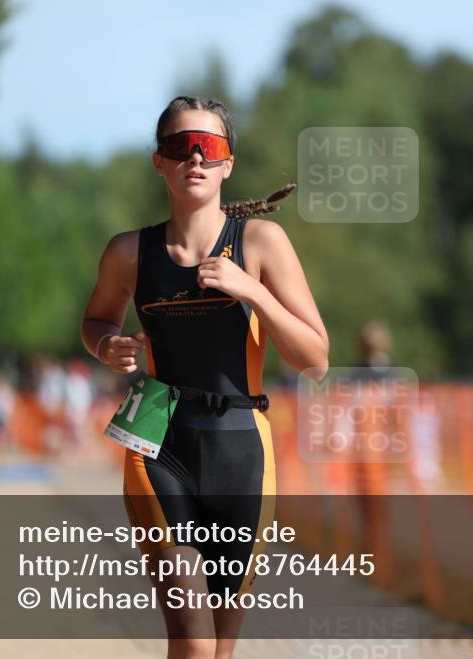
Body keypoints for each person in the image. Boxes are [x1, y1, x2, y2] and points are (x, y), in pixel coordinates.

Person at [80, 96, 329, 659]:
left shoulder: (261, 244)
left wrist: (252, 290)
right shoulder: (129, 252)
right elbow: (96, 320)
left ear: (227, 164)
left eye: (209, 147)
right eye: (179, 146)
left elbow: (315, 359)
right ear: (159, 162)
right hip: (155, 432)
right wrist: (106, 345)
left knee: (220, 645)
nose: (194, 157)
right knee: (191, 636)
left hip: (243, 444)